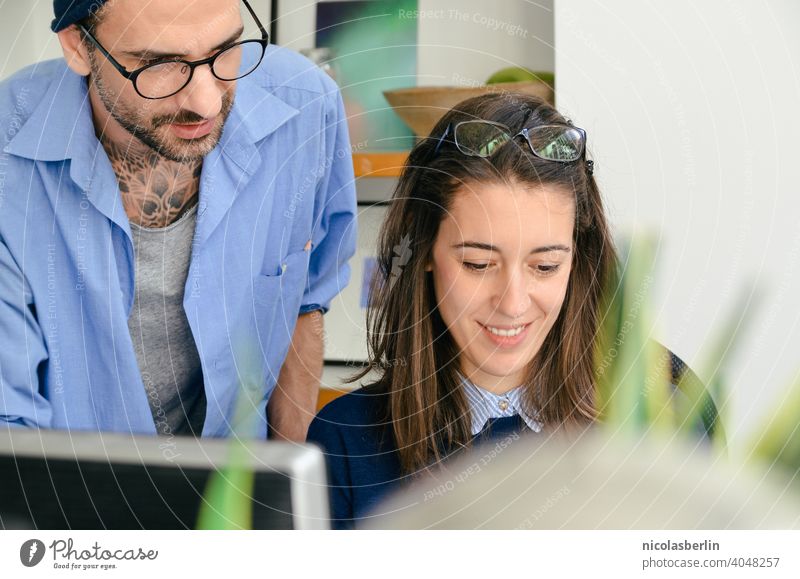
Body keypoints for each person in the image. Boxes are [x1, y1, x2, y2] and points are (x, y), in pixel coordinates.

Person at [0, 0, 357, 441]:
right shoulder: (7, 159)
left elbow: (305, 305)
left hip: (236, 494)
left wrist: (285, 492)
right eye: (160, 64)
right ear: (77, 45)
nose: (206, 103)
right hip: (65, 498)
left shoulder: (306, 106)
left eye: (226, 49)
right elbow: (9, 423)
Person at [306, 92, 619, 528]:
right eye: (478, 264)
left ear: (577, 256)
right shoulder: (345, 442)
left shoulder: (659, 411)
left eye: (545, 266)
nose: (512, 303)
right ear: (424, 247)